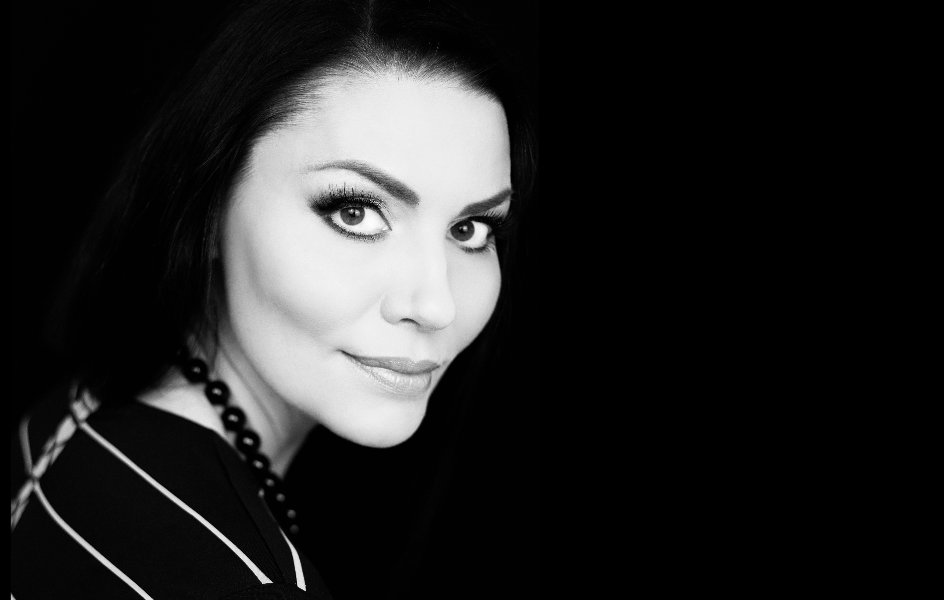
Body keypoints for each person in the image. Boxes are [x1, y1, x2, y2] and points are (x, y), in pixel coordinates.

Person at [9, 0, 538, 598]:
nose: (437, 305)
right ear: (207, 207)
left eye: (471, 229)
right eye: (355, 212)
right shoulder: (243, 582)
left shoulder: (81, 412)